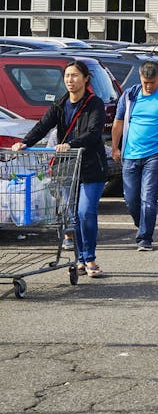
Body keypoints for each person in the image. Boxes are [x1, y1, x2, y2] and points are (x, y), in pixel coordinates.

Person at [10, 60, 108, 277]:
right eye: (67, 76)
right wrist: (25, 142)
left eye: (74, 76)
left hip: (92, 167)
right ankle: (81, 259)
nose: (70, 80)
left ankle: (90, 258)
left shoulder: (95, 103)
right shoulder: (60, 104)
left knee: (86, 212)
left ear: (85, 79)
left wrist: (70, 145)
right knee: (73, 216)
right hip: (68, 169)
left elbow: (93, 134)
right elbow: (42, 126)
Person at [112, 60, 158, 251]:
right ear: (140, 79)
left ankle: (145, 238)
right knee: (130, 198)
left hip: (155, 155)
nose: (149, 86)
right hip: (130, 154)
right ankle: (142, 223)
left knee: (148, 198)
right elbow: (118, 122)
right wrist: (115, 148)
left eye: (152, 82)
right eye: (145, 82)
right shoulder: (130, 95)